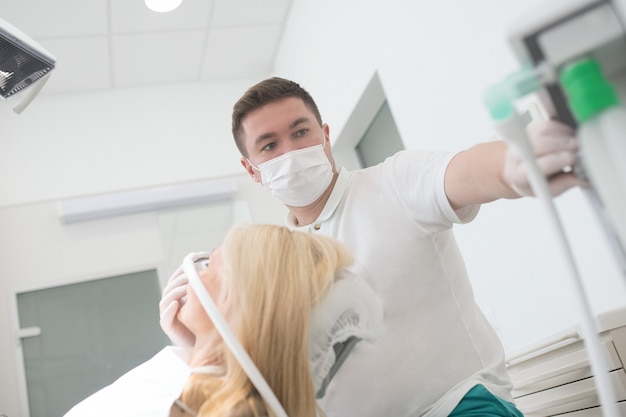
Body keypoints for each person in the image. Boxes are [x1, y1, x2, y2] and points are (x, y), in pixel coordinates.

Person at [160, 77, 584, 417]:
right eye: (270, 145)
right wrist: (196, 343)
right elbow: (260, 377)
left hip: (457, 404)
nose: (290, 151)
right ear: (252, 170)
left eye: (300, 131)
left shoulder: (394, 183)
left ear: (325, 135)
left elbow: (466, 172)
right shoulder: (277, 264)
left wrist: (512, 165)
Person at [65, 224, 382, 417]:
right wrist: (200, 347)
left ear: (240, 298)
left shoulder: (183, 407)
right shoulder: (194, 380)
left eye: (210, 264)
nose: (195, 274)